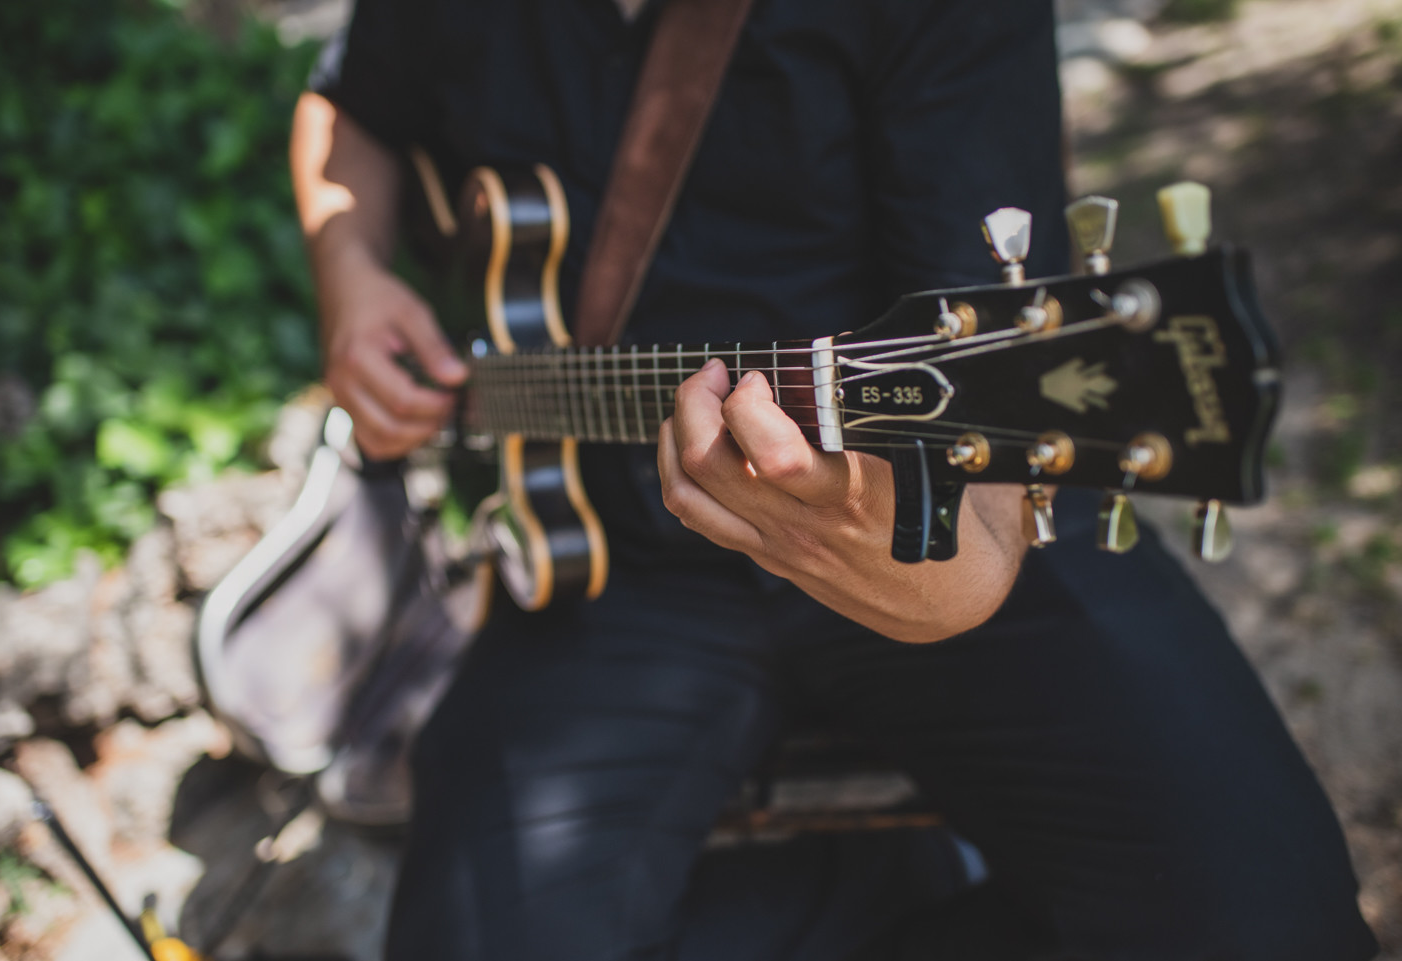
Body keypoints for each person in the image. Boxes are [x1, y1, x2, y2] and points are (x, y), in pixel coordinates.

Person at [289, 0, 1379, 958]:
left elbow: (989, 451)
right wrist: (350, 271)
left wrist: (947, 586)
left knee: (1270, 923)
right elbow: (349, 115)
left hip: (943, 496)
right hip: (611, 558)